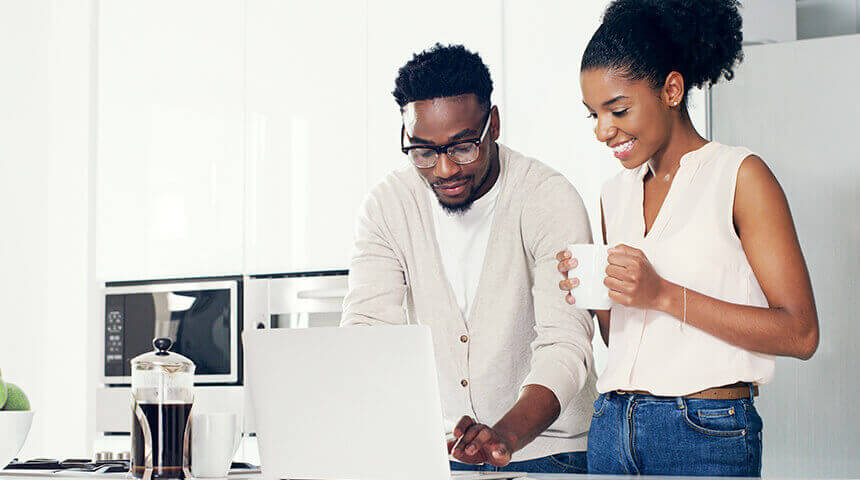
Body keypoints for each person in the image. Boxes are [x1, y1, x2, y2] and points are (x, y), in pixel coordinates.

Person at [557, 0, 819, 476]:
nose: (602, 130)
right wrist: (595, 293)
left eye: (617, 109)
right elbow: (629, 340)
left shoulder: (740, 176)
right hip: (612, 427)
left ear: (671, 90)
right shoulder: (613, 193)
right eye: (592, 114)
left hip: (703, 431)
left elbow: (800, 334)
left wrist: (661, 293)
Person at [341, 43, 597, 474]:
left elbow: (566, 344)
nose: (444, 170)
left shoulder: (546, 197)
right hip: (440, 456)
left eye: (462, 148)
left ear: (492, 125)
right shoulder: (389, 204)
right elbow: (368, 330)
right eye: (423, 151)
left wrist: (505, 436)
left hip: (548, 453)